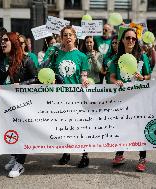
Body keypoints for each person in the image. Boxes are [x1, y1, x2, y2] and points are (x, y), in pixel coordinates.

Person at [0, 32, 37, 178]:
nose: (2, 43)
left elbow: (36, 78)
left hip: (22, 104)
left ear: (14, 43)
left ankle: (19, 164)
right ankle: (15, 157)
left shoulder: (26, 60)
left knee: (21, 132)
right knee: (7, 132)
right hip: (4, 104)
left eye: (5, 40)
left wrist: (21, 84)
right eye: (1, 40)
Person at [44, 26, 89, 167]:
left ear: (75, 38)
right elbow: (50, 72)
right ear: (61, 38)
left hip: (77, 98)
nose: (68, 37)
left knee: (79, 127)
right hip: (60, 98)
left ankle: (84, 155)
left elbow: (83, 76)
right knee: (64, 127)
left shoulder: (82, 56)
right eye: (65, 35)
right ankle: (66, 153)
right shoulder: (56, 54)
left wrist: (84, 81)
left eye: (70, 35)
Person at [109, 28, 151, 172]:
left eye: (133, 38)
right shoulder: (116, 58)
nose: (130, 41)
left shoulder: (142, 57)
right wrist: (115, 81)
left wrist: (143, 77)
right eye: (127, 38)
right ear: (122, 40)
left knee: (139, 126)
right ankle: (120, 154)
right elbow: (112, 76)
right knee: (122, 125)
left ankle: (142, 157)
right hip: (122, 99)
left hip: (139, 98)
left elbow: (149, 76)